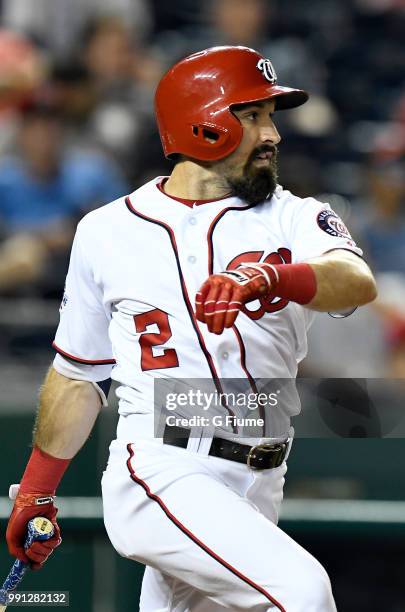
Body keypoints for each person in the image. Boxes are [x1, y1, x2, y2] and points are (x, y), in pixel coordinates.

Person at [5, 46, 377, 611]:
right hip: (161, 466)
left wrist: (271, 278)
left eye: (271, 116)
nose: (272, 134)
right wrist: (35, 489)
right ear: (202, 123)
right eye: (252, 116)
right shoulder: (107, 231)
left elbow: (354, 280)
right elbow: (78, 375)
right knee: (301, 594)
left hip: (260, 476)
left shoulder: (293, 215)